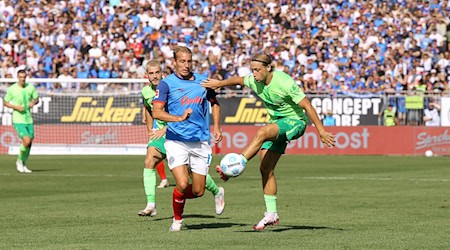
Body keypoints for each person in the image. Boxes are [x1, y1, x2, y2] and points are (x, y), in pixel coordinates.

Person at [201, 53, 336, 231]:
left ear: (268, 68)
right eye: (252, 70)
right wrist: (219, 84)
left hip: (295, 122)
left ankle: (238, 162)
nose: (254, 74)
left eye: (257, 70)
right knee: (265, 169)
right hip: (277, 123)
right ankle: (271, 214)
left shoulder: (284, 82)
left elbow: (307, 106)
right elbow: (239, 80)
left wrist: (321, 130)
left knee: (262, 132)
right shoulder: (254, 80)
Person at [138, 60, 225, 219]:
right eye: (151, 73)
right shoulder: (145, 92)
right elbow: (149, 109)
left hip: (178, 132)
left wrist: (166, 127)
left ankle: (216, 191)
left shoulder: (171, 86)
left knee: (193, 175)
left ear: (162, 73)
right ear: (147, 76)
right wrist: (150, 131)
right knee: (149, 161)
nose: (155, 76)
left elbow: (183, 113)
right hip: (160, 134)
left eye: (158, 72)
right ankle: (151, 204)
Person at [3, 69, 40, 173]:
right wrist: (15, 107)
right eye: (21, 77)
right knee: (27, 140)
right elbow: (5, 102)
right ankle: (19, 161)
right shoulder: (12, 89)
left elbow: (37, 99)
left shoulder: (30, 87)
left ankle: (23, 163)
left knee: (29, 143)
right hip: (18, 119)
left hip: (29, 119)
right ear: (17, 77)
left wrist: (33, 103)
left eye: (24, 77)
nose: (22, 79)